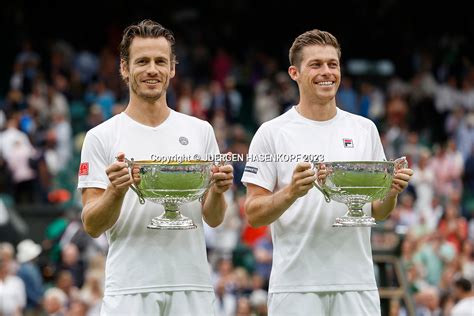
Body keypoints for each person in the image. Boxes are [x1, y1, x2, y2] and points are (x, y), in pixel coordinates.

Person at [242, 29, 414, 315]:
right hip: (295, 286)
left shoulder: (364, 129)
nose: (327, 72)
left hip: (356, 283)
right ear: (294, 72)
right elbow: (253, 212)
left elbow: (377, 210)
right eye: (316, 64)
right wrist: (290, 193)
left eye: (332, 64)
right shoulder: (271, 133)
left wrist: (391, 192)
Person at [78, 19, 234, 315]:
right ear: (124, 68)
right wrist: (115, 191)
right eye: (143, 61)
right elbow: (92, 224)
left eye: (160, 61)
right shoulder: (101, 137)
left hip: (192, 285)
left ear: (172, 68)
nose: (152, 69)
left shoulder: (201, 131)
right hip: (130, 286)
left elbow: (213, 218)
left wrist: (218, 190)